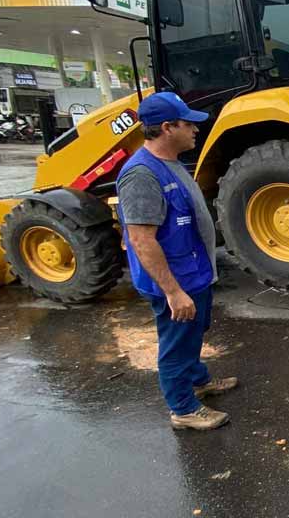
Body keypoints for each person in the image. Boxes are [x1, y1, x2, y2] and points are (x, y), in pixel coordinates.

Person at [116, 92, 236, 430]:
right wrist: (172, 291)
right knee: (176, 343)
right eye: (189, 124)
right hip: (175, 280)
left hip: (193, 272)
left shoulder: (171, 163)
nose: (196, 129)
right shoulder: (141, 175)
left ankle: (198, 380)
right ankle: (183, 408)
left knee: (194, 333)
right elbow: (141, 238)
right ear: (167, 128)